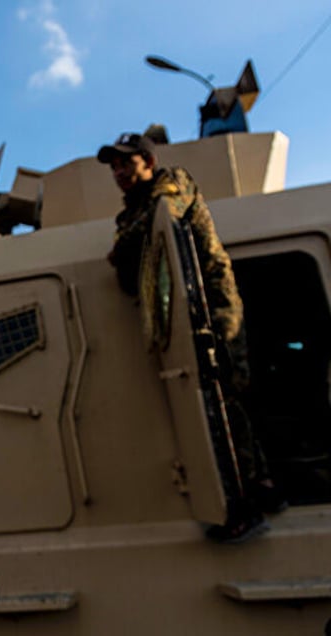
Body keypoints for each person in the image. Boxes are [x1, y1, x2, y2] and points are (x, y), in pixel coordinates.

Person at [97, 132, 287, 543]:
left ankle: (250, 498)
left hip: (214, 304)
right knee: (210, 397)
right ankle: (255, 490)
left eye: (125, 164)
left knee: (226, 394)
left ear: (147, 160)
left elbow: (165, 216)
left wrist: (131, 245)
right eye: (114, 167)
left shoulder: (172, 181)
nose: (118, 173)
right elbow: (124, 267)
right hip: (180, 316)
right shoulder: (128, 215)